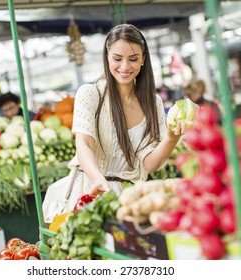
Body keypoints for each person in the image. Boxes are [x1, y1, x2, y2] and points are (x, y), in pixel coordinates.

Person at [42, 24, 188, 223]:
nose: (125, 67)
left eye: (133, 59)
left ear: (143, 59)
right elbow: (84, 144)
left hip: (128, 201)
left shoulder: (153, 103)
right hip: (89, 193)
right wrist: (98, 180)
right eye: (117, 59)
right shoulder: (90, 94)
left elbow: (149, 163)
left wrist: (172, 137)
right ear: (107, 57)